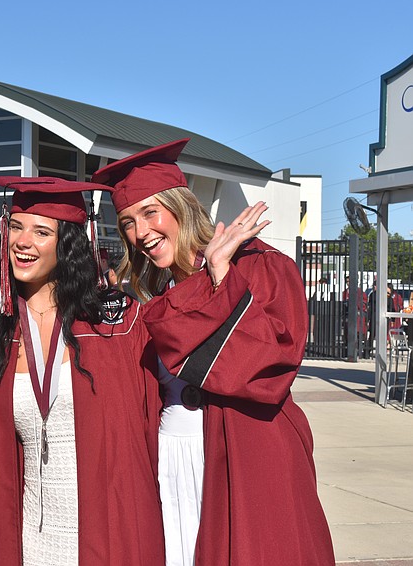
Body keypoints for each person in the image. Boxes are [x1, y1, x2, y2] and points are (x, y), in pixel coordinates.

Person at [93, 138, 335, 565]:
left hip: (247, 456)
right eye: (128, 221)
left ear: (181, 205)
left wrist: (221, 277)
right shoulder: (151, 296)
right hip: (174, 465)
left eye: (151, 212)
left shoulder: (260, 265)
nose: (140, 232)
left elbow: (269, 369)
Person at [0, 176, 164, 565]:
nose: (22, 242)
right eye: (16, 227)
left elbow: (148, 428)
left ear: (68, 245)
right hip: (31, 537)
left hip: (105, 530)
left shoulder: (113, 324)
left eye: (41, 231)